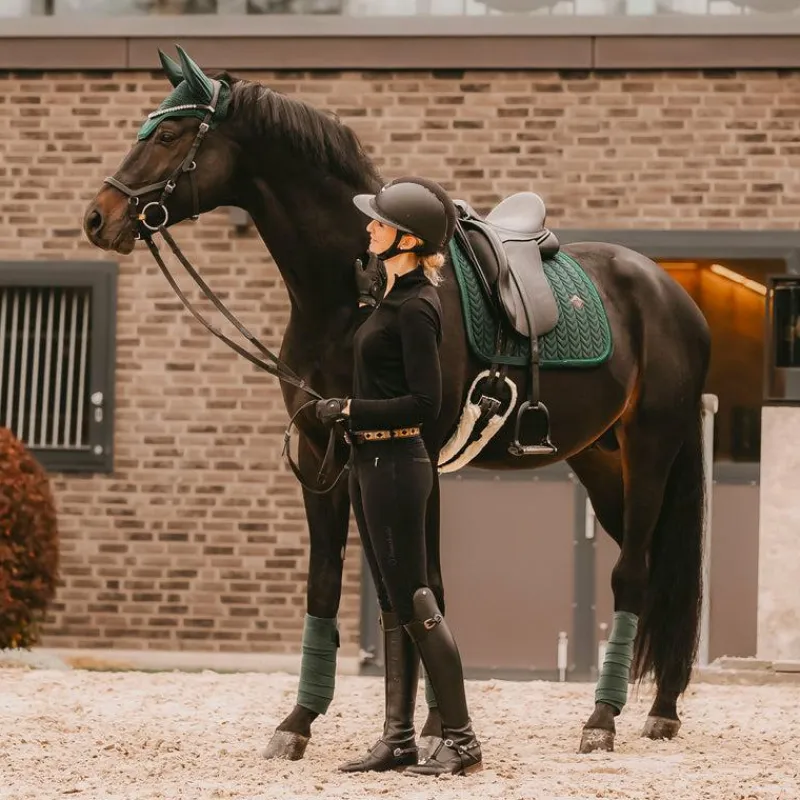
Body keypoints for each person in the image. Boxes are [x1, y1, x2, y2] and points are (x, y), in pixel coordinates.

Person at [314, 176, 482, 777]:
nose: (369, 228)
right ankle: (398, 738)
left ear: (407, 240)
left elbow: (424, 403)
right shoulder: (389, 298)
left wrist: (352, 409)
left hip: (396, 461)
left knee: (415, 599)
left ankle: (461, 739)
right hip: (370, 462)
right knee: (391, 602)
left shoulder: (416, 307)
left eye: (379, 223)